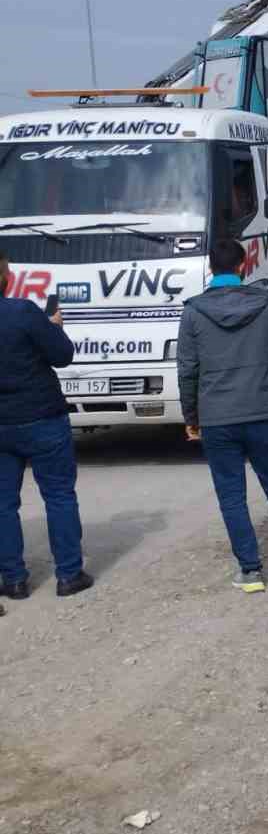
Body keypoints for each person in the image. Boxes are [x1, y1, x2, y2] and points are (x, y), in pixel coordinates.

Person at [177, 239, 268, 594]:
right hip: (263, 412)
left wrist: (192, 416)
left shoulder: (194, 312)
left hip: (216, 418)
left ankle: (251, 572)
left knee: (231, 496)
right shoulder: (266, 304)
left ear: (211, 268)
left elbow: (187, 370)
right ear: (244, 266)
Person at [0, 254, 93, 601]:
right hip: (42, 417)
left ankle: (13, 580)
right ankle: (69, 575)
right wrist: (54, 327)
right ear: (6, 278)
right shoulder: (24, 312)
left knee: (2, 504)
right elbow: (62, 355)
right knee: (58, 495)